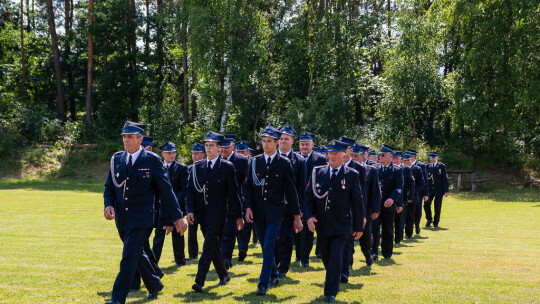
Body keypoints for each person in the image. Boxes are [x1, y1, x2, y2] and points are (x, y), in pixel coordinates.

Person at [103, 121, 187, 304]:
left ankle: (117, 299)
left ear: (140, 139)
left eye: (130, 136)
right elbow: (110, 186)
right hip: (122, 217)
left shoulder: (152, 160)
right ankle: (154, 283)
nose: (126, 140)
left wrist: (178, 217)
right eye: (124, 136)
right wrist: (108, 204)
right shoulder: (116, 159)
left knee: (128, 257)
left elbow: (166, 191)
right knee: (136, 253)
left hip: (142, 218)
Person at [244, 126, 303, 296]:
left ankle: (263, 283)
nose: (265, 144)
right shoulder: (255, 161)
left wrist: (297, 216)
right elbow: (247, 186)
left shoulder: (284, 163)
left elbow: (291, 192)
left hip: (276, 212)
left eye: (269, 141)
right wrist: (247, 207)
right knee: (265, 247)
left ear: (276, 143)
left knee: (269, 245)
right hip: (258, 212)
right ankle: (274, 275)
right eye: (263, 141)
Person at [305, 140, 364, 303]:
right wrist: (309, 216)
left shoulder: (352, 174)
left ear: (343, 155)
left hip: (342, 225)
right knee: (326, 256)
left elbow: (358, 203)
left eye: (335, 153)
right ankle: (334, 276)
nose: (331, 156)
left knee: (336, 256)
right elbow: (308, 197)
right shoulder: (317, 172)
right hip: (323, 224)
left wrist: (359, 226)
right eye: (330, 153)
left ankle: (330, 291)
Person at [186, 131, 244, 292]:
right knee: (213, 246)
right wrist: (189, 210)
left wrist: (239, 216)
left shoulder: (226, 167)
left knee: (207, 246)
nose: (208, 148)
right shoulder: (197, 167)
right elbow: (190, 191)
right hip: (201, 213)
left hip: (218, 214)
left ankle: (199, 280)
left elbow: (234, 194)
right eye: (206, 145)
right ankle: (223, 275)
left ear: (219, 147)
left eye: (212, 145)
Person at [275, 124, 307, 278]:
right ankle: (274, 263)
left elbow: (301, 187)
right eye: (281, 139)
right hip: (272, 204)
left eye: (286, 139)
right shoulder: (271, 157)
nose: (283, 142)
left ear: (292, 141)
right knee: (273, 237)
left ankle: (283, 267)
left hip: (290, 206)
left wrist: (299, 210)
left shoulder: (299, 161)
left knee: (286, 237)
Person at [152, 141, 189, 266]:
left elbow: (184, 188)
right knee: (159, 234)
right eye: (169, 153)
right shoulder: (158, 167)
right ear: (162, 154)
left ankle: (180, 260)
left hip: (176, 206)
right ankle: (154, 261)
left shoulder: (182, 168)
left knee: (178, 233)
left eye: (173, 152)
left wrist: (172, 201)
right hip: (161, 207)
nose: (172, 155)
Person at [336, 137, 366, 283]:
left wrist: (362, 216)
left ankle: (344, 270)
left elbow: (362, 196)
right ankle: (337, 268)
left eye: (345, 148)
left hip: (352, 212)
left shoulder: (359, 169)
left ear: (350, 150)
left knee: (348, 242)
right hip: (333, 212)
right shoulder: (330, 165)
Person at [220, 134, 250, 269]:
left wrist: (246, 203)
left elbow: (246, 184)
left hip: (236, 201)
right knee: (220, 233)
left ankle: (226, 258)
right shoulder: (216, 160)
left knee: (229, 232)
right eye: (222, 147)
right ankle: (222, 257)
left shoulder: (242, 161)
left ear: (233, 146)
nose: (224, 150)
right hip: (219, 202)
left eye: (226, 147)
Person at [298, 131, 327, 266]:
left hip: (313, 199)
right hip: (297, 198)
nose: (304, 147)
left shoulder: (319, 159)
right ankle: (299, 254)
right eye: (302, 144)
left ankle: (305, 258)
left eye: (307, 144)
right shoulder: (294, 157)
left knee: (309, 229)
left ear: (312, 145)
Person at [371, 144, 403, 260]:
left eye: (383, 155)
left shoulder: (397, 170)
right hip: (376, 205)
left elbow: (399, 187)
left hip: (389, 205)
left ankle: (387, 253)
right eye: (380, 155)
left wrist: (393, 198)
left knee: (388, 230)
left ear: (390, 156)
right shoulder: (375, 169)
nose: (381, 157)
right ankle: (373, 252)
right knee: (374, 229)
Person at [234, 140, 257, 257]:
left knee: (247, 225)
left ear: (248, 151)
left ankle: (243, 248)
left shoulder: (253, 163)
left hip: (248, 198)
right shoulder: (233, 163)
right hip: (236, 197)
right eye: (238, 151)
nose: (240, 153)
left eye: (242, 151)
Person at [187, 142, 205, 260]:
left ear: (203, 155)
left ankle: (209, 251)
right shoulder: (189, 169)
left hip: (204, 205)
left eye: (197, 154)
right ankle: (193, 254)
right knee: (192, 231)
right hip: (193, 204)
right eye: (193, 154)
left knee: (206, 230)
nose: (194, 156)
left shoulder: (205, 167)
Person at [392, 151, 414, 244]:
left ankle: (398, 238)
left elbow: (411, 184)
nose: (395, 160)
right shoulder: (390, 169)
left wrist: (410, 197)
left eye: (397, 158)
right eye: (394, 158)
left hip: (402, 198)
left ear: (401, 159)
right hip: (390, 198)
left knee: (400, 220)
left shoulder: (406, 169)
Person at [406, 149, 429, 234]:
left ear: (413, 156)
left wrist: (426, 193)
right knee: (408, 212)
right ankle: (409, 227)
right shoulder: (404, 165)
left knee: (417, 211)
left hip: (418, 192)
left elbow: (424, 181)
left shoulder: (420, 166)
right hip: (407, 193)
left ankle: (417, 225)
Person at [402, 152, 425, 238]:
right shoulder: (401, 169)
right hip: (403, 196)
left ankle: (409, 233)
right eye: (405, 160)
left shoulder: (417, 169)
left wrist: (413, 191)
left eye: (408, 160)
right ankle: (402, 232)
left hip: (413, 195)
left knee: (411, 215)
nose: (406, 162)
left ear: (412, 160)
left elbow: (421, 183)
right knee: (403, 215)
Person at [425, 152, 449, 228]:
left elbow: (445, 179)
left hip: (439, 189)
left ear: (437, 158)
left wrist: (446, 190)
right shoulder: (427, 166)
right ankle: (429, 219)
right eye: (431, 158)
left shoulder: (441, 166)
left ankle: (436, 222)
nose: (432, 159)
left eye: (434, 158)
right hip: (429, 189)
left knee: (437, 206)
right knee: (426, 204)